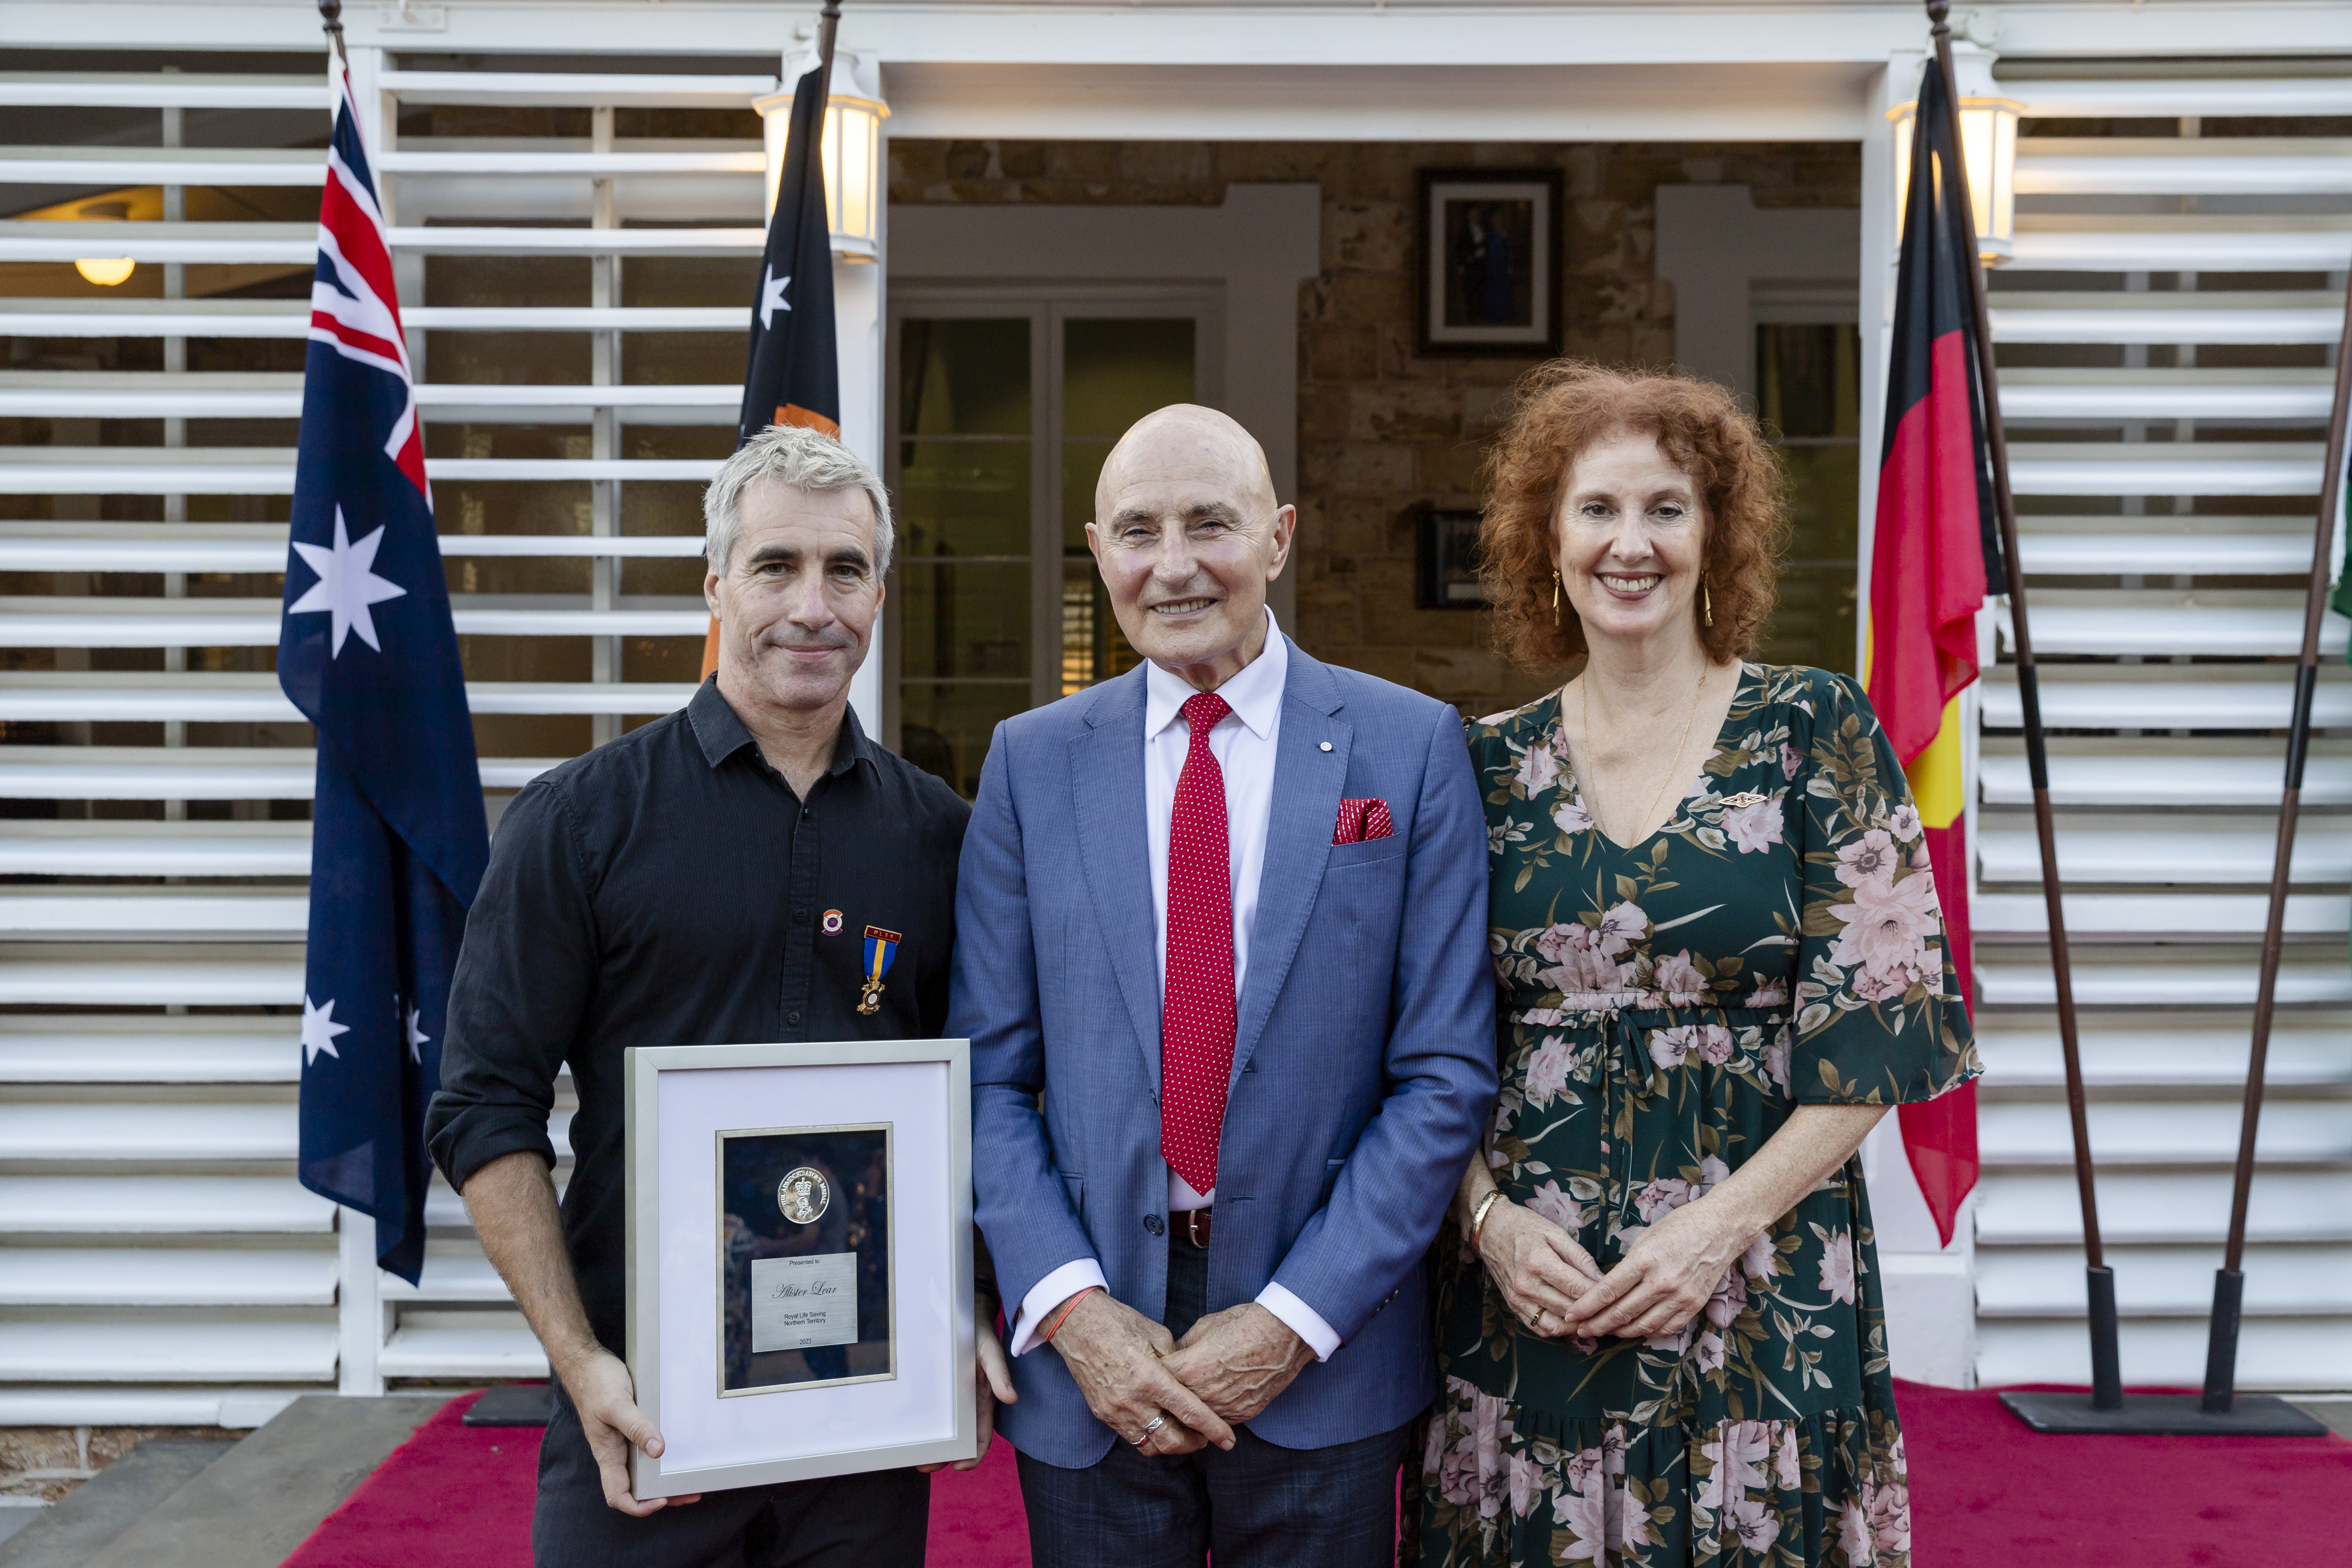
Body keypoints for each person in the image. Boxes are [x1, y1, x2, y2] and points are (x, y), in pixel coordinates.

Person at [1410, 363, 1979, 1568]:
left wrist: (1709, 1233)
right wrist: (1490, 1225)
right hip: (1533, 1298)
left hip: (1761, 1287)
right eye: (1597, 510)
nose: (1632, 544)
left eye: (1666, 509)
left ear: (1714, 533)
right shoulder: (1479, 766)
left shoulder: (1813, 729)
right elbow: (1416, 1045)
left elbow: (1882, 1034)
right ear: (1544, 539)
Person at [424, 425, 1011, 1568]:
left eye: (844, 570)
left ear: (880, 593)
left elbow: (985, 1102)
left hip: (865, 1418)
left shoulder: (942, 837)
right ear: (715, 587)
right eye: (775, 566)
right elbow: (481, 1108)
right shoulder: (580, 824)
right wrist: (576, 1359)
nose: (813, 604)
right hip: (644, 1408)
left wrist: (967, 1307)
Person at [953, 405, 1499, 1568]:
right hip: (1094, 1362)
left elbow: (1443, 1074)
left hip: (1327, 1360)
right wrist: (1071, 1313)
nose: (1174, 564)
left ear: (1279, 538)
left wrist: (1293, 1321)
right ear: (1098, 550)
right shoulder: (1027, 765)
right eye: (1138, 531)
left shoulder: (1407, 749)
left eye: (1211, 524)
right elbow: (986, 1079)